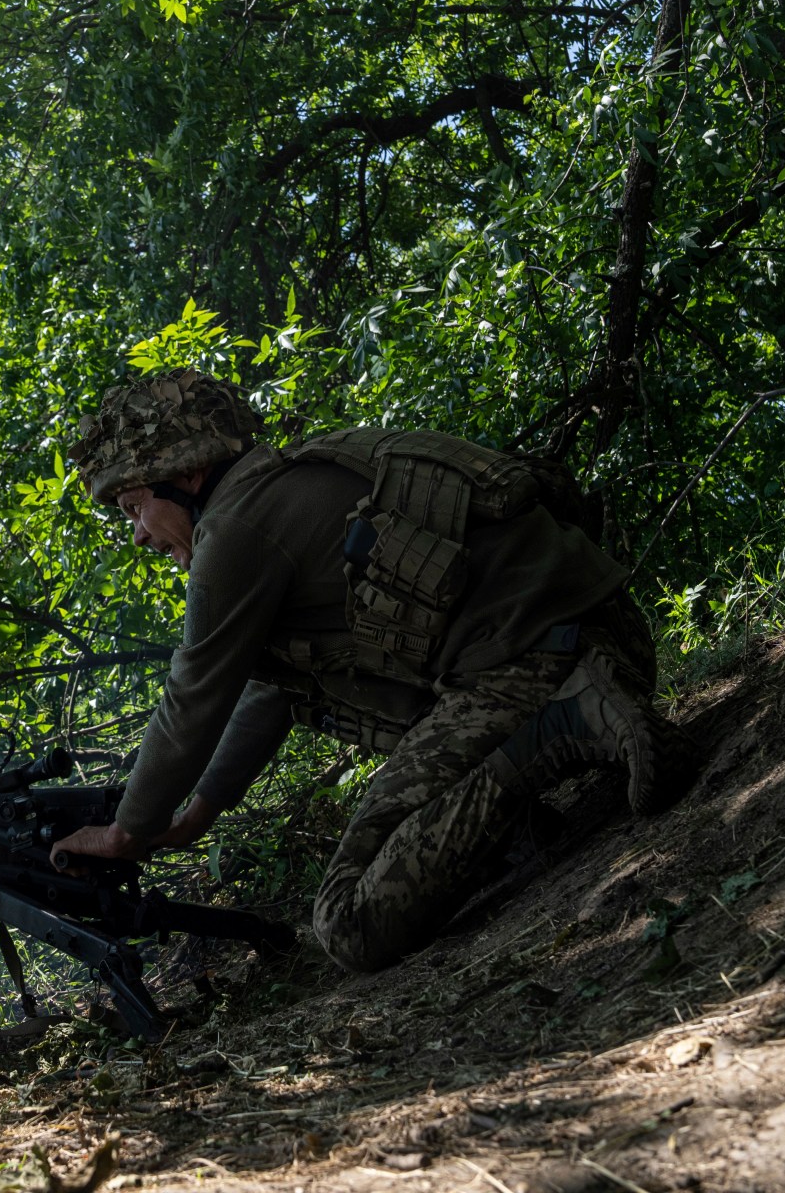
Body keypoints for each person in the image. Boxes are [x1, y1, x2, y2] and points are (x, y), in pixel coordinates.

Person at [45, 370, 677, 974]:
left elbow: (193, 695)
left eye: (133, 508)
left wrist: (127, 830)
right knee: (322, 697)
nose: (138, 535)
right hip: (609, 631)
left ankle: (566, 726)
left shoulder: (234, 530)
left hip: (531, 668)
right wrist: (192, 819)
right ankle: (541, 783)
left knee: (348, 923)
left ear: (183, 472)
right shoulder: (291, 482)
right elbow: (270, 690)